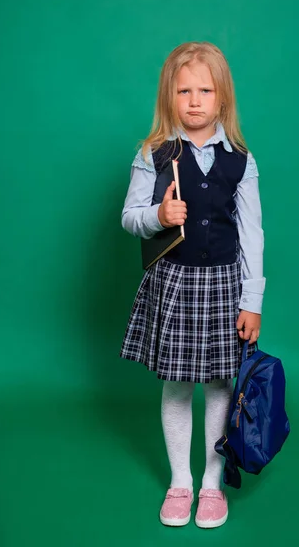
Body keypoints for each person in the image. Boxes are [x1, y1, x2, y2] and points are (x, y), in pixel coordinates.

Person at [120, 42, 265, 528]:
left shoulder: (241, 159)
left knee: (222, 384)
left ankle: (211, 484)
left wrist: (253, 300)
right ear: (170, 97)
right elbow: (129, 217)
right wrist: (158, 214)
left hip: (226, 286)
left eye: (206, 90)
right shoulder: (154, 153)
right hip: (175, 283)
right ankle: (181, 480)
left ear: (222, 98)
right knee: (179, 385)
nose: (195, 100)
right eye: (184, 91)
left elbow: (252, 234)